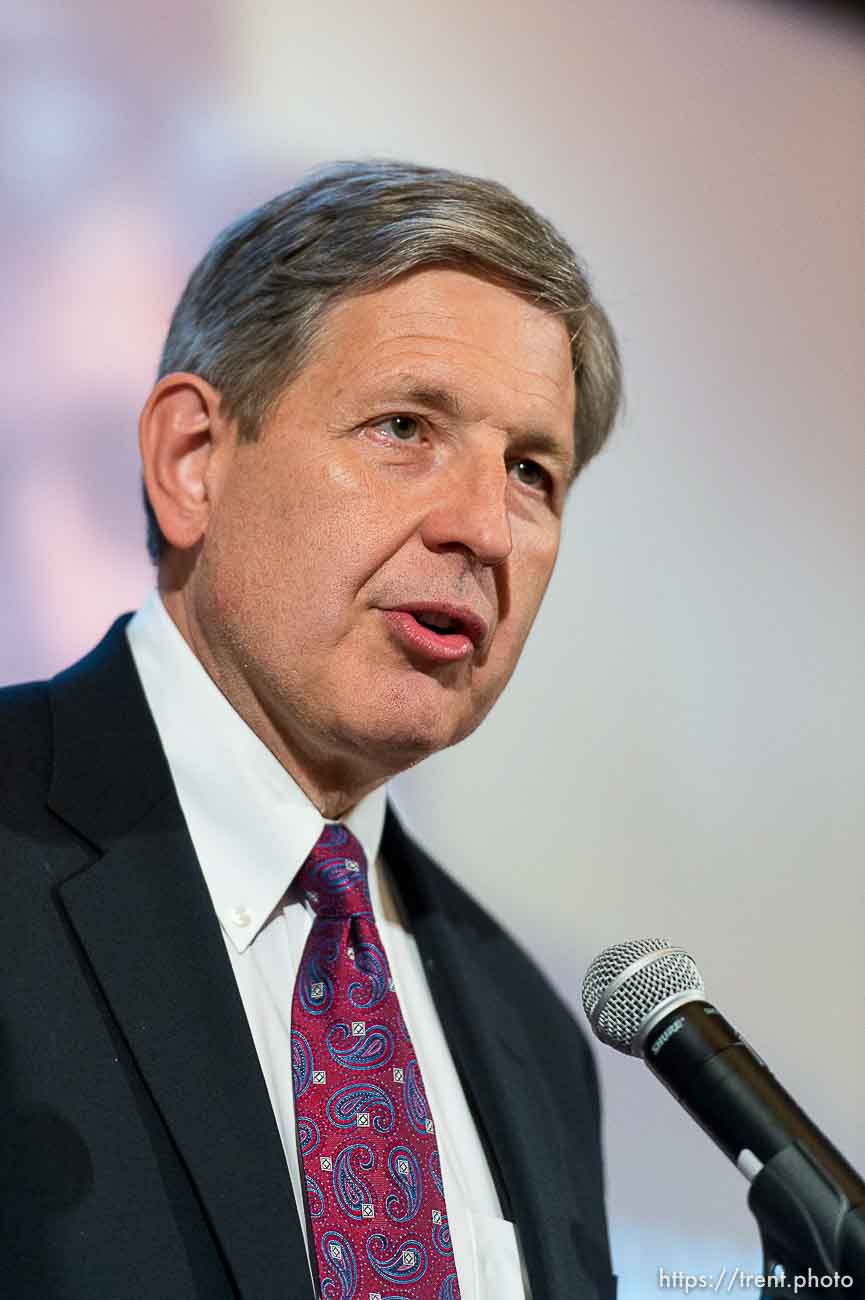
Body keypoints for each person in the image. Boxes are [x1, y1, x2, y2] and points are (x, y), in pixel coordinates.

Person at [0, 161, 622, 1300]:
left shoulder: (532, 1035)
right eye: (404, 426)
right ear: (193, 459)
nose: (483, 526)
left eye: (532, 470)